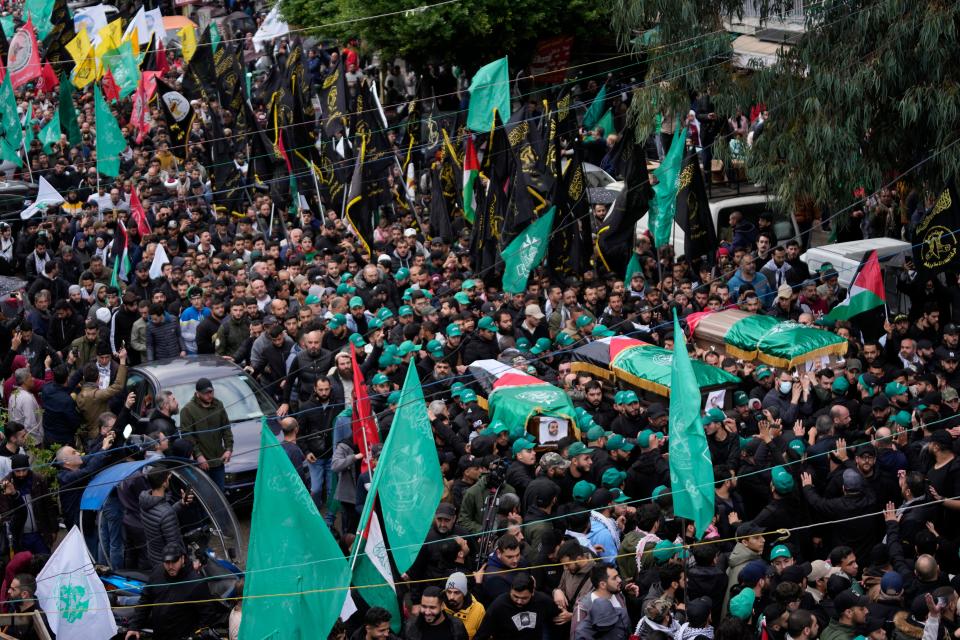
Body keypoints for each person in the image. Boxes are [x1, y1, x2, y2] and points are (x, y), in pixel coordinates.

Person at [124, 543, 219, 639]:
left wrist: (194, 636)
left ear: (182, 558)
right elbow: (145, 600)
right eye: (167, 562)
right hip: (158, 634)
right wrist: (134, 626)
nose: (170, 566)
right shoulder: (157, 572)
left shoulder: (196, 583)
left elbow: (208, 615)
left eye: (174, 561)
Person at [179, 377, 234, 489]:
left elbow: (226, 428)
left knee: (220, 494)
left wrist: (229, 449)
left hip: (218, 461)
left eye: (211, 392)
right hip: (201, 464)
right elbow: (187, 436)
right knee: (206, 496)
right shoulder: (188, 410)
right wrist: (198, 455)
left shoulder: (218, 405)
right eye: (206, 393)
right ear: (197, 393)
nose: (209, 395)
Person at [474, 573, 565, 639]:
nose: (519, 601)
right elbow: (483, 634)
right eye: (515, 596)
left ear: (532, 592)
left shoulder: (543, 601)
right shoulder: (498, 605)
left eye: (524, 598)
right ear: (510, 590)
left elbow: (559, 620)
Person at [139, 469, 195, 566]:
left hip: (154, 557)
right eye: (168, 479)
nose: (169, 480)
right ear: (164, 483)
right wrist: (185, 562)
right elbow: (174, 546)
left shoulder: (145, 500)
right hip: (168, 563)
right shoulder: (166, 513)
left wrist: (181, 503)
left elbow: (160, 515)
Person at [404, 586, 469, 640]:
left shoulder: (457, 627)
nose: (427, 612)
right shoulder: (411, 627)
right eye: (424, 606)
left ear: (442, 606)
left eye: (432, 608)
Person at [4, 573, 50, 640]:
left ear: (24, 594)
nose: (8, 591)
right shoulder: (15, 606)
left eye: (13, 589)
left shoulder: (39, 621)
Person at [444, 571, 486, 639]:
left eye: (456, 592)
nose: (451, 597)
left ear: (464, 593)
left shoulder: (478, 610)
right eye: (449, 592)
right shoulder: (440, 606)